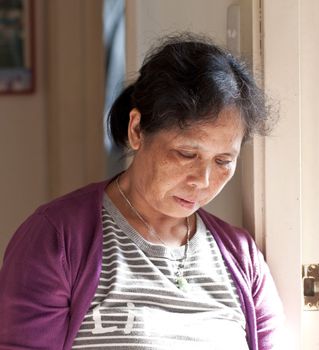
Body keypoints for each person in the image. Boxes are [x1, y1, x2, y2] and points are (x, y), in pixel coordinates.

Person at [0, 33, 283, 349]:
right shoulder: (57, 238)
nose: (203, 180)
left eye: (223, 161)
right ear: (137, 131)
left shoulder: (242, 258)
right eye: (186, 154)